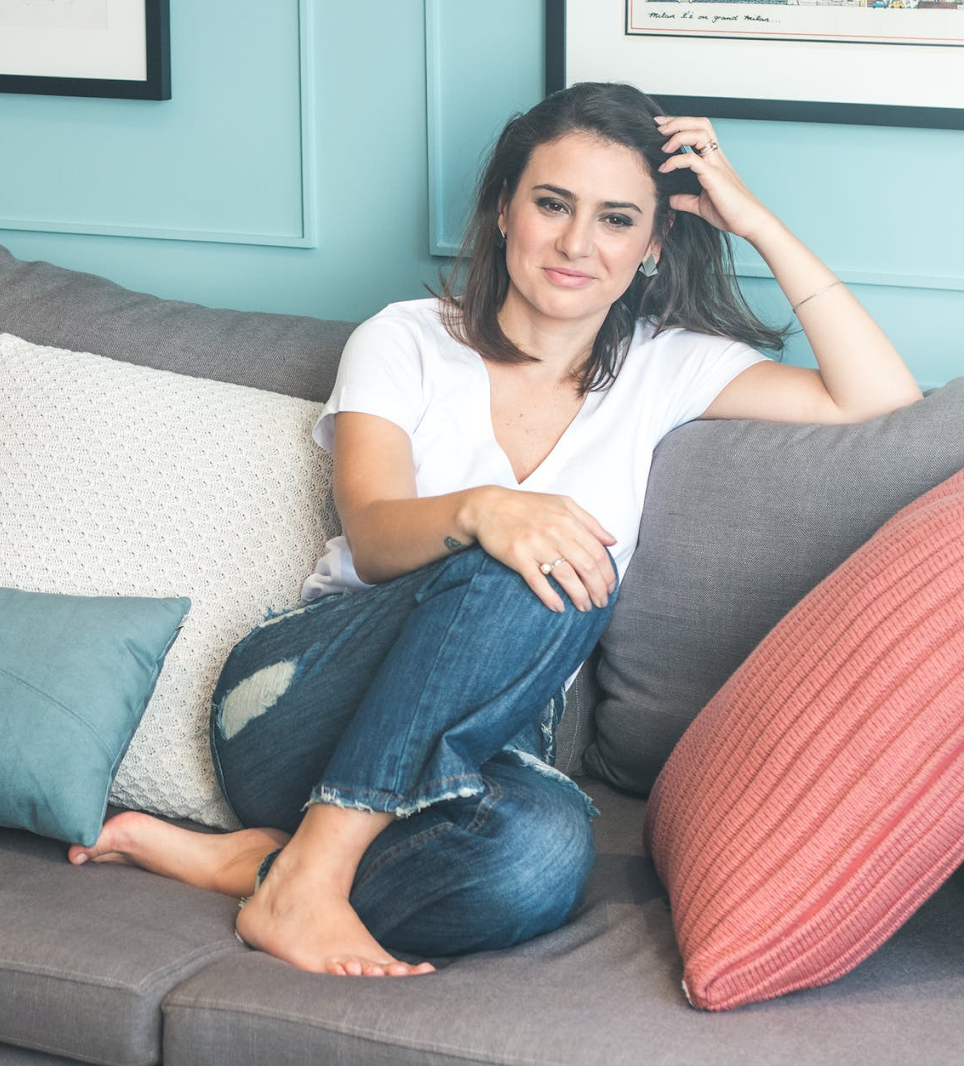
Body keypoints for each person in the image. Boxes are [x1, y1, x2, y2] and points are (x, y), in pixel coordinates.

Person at [67, 82, 923, 977]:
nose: (577, 243)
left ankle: (269, 868)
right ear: (505, 208)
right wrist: (486, 511)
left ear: (653, 244)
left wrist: (754, 221)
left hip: (484, 746)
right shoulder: (404, 340)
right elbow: (375, 538)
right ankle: (310, 875)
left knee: (539, 861)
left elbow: (881, 399)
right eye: (553, 204)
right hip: (298, 703)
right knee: (545, 555)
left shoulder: (664, 370)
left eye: (616, 219)